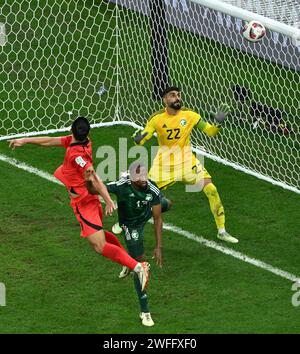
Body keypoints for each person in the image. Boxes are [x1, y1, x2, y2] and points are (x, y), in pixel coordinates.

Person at [8, 117, 150, 293]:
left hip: (84, 203)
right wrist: (25, 140)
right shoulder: (80, 142)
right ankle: (127, 262)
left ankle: (138, 267)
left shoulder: (76, 156)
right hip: (85, 199)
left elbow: (94, 177)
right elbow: (51, 140)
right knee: (100, 236)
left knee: (99, 245)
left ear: (72, 130)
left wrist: (107, 199)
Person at [131, 86, 238, 243]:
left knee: (212, 190)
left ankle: (221, 231)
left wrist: (218, 124)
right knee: (143, 194)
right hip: (164, 165)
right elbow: (141, 139)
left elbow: (211, 132)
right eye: (172, 95)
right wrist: (138, 138)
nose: (177, 98)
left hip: (188, 163)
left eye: (178, 95)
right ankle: (125, 222)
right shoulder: (156, 118)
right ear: (165, 100)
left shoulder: (190, 115)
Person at [103, 162, 171, 327]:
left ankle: (128, 262)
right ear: (131, 178)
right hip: (131, 225)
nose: (143, 179)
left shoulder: (152, 188)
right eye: (139, 176)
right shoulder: (121, 186)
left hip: (145, 212)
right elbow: (101, 187)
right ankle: (145, 311)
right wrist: (106, 200)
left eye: (145, 175)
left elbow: (157, 219)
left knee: (167, 203)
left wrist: (158, 246)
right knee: (140, 264)